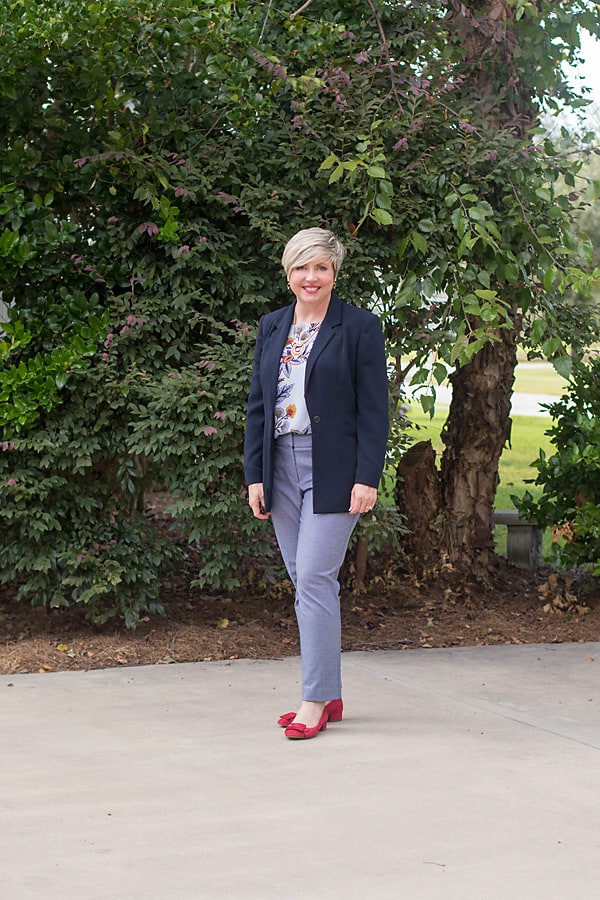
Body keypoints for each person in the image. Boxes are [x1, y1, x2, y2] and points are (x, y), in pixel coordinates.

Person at [243, 227, 389, 740]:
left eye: (321, 267)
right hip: (279, 465)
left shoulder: (359, 327)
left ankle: (313, 700)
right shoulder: (271, 327)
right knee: (306, 584)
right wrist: (255, 473)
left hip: (333, 467)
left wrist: (367, 476)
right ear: (289, 273)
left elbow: (374, 410)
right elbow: (259, 405)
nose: (312, 277)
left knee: (313, 578)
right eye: (302, 267)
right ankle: (329, 691)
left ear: (334, 273)